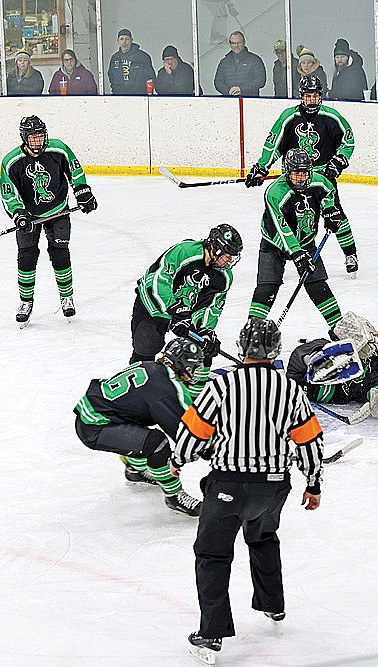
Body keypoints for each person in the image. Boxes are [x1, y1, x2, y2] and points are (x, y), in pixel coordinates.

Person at [172, 318, 324, 663]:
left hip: (228, 486)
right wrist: (313, 482)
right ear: (276, 350)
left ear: (242, 348)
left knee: (212, 555)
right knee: (262, 538)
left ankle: (211, 635)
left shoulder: (220, 387)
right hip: (273, 487)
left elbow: (194, 432)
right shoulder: (290, 390)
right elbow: (309, 440)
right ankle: (273, 605)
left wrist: (178, 459)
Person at [74, 337, 206, 516]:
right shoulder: (165, 387)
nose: (193, 372)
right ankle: (174, 496)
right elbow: (187, 433)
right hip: (96, 426)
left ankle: (135, 471)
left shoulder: (150, 366)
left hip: (95, 416)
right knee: (156, 443)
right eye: (193, 367)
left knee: (140, 433)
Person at [245, 75, 358, 270]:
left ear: (320, 96)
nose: (311, 100)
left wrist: (338, 162)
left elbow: (348, 141)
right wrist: (262, 167)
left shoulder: (331, 117)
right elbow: (274, 144)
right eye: (307, 96)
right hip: (292, 180)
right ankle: (285, 255)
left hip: (321, 180)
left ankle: (351, 254)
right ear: (301, 96)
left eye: (314, 96)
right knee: (288, 218)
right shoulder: (289, 117)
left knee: (335, 214)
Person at [0, 116, 97, 324]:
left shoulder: (58, 149)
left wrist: (82, 191)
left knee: (60, 253)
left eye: (41, 136)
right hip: (30, 217)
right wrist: (18, 213)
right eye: (33, 137)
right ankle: (26, 302)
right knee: (26, 256)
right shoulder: (11, 162)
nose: (38, 141)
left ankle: (67, 297)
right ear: (24, 138)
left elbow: (75, 170)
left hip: (58, 211)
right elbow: (8, 193)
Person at [130, 225, 243, 396]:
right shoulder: (185, 252)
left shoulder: (223, 277)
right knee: (147, 345)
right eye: (227, 256)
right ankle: (136, 394)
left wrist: (204, 331)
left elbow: (210, 307)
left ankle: (191, 402)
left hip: (185, 313)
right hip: (153, 305)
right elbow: (159, 279)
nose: (229, 261)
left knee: (204, 349)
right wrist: (174, 310)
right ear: (215, 247)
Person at [247, 148, 354, 328]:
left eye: (304, 173)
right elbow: (281, 230)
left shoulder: (319, 182)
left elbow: (329, 192)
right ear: (287, 171)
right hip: (275, 245)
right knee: (267, 287)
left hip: (306, 242)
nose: (301, 177)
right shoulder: (275, 193)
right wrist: (297, 254)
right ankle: (252, 331)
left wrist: (329, 210)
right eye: (296, 173)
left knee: (317, 283)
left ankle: (338, 327)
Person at [286, 313, 378, 425]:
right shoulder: (377, 347)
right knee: (348, 336)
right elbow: (339, 330)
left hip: (313, 390)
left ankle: (321, 368)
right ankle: (317, 361)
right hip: (301, 361)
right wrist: (359, 338)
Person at [214, 31, 266, 96]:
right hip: (229, 100)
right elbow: (218, 82)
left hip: (250, 101)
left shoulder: (255, 60)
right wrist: (229, 91)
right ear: (230, 44)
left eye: (239, 43)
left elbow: (260, 80)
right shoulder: (224, 62)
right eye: (233, 43)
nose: (236, 45)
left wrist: (241, 89)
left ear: (244, 43)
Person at [108, 28, 154, 95]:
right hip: (120, 97)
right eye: (121, 39)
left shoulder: (143, 57)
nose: (124, 42)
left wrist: (148, 96)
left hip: (139, 97)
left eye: (127, 39)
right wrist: (116, 93)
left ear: (131, 40)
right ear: (117, 41)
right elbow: (111, 77)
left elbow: (150, 78)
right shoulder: (115, 58)